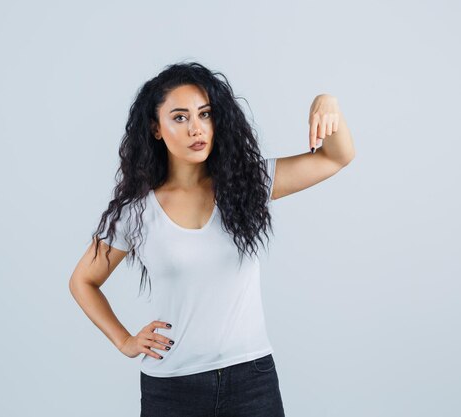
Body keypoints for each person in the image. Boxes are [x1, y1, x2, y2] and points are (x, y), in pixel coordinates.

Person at [69, 61, 355, 416]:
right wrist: (124, 340)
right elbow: (83, 280)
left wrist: (327, 102)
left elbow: (337, 157)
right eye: (179, 117)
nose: (196, 128)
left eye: (204, 114)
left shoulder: (250, 183)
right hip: (172, 389)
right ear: (155, 129)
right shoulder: (136, 212)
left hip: (252, 380)